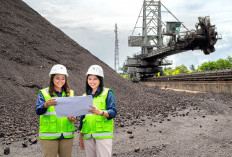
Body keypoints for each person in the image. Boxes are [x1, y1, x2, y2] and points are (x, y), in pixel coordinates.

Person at [35, 64, 76, 157]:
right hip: (49, 136)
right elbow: (38, 110)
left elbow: (74, 112)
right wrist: (45, 105)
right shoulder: (44, 93)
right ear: (52, 78)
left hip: (66, 135)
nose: (60, 81)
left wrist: (73, 118)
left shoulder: (70, 93)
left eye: (63, 78)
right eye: (57, 78)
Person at [79, 65, 117, 157]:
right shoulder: (84, 96)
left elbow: (113, 112)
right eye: (90, 79)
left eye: (95, 79)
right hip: (88, 135)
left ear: (100, 79)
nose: (92, 82)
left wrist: (100, 112)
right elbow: (83, 118)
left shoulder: (107, 93)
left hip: (102, 134)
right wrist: (80, 135)